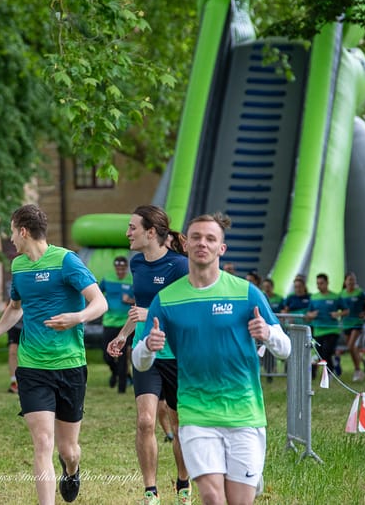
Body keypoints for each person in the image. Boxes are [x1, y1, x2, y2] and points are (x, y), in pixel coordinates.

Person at [132, 212, 291, 505]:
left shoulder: (247, 293)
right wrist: (149, 347)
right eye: (196, 237)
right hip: (196, 414)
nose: (202, 243)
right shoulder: (166, 299)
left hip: (244, 414)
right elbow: (139, 361)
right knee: (212, 496)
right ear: (186, 244)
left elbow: (286, 349)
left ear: (221, 248)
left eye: (210, 238)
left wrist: (268, 333)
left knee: (239, 500)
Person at [0, 204, 107, 505]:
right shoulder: (18, 266)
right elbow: (15, 308)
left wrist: (76, 318)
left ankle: (72, 470)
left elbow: (100, 303)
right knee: (43, 442)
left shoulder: (66, 261)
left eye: (12, 232)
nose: (11, 238)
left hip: (70, 365)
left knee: (68, 450)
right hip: (32, 366)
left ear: (23, 231)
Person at [106, 205, 191, 504]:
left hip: (176, 354)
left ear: (151, 232)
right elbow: (138, 309)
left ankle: (184, 484)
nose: (127, 233)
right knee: (145, 421)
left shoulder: (180, 266)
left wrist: (152, 313)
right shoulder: (137, 264)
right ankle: (150, 491)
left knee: (179, 424)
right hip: (145, 353)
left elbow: (188, 312)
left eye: (133, 228)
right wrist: (122, 335)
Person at [99, 256, 135, 393]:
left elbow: (141, 299)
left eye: (122, 268)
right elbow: (96, 294)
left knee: (122, 356)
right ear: (115, 267)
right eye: (118, 268)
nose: (120, 271)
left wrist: (130, 300)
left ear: (126, 268)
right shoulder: (108, 278)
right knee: (106, 355)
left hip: (125, 324)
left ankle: (122, 388)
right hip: (109, 322)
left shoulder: (132, 280)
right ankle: (115, 373)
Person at [305, 273, 348, 376]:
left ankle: (330, 373)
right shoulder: (314, 297)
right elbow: (308, 314)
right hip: (318, 330)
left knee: (326, 351)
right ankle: (333, 363)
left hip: (332, 330)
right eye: (318, 283)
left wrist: (338, 314)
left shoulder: (335, 297)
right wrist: (311, 315)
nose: (319, 286)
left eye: (321, 283)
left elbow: (346, 311)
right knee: (320, 354)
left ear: (327, 283)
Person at [340, 272, 365, 382]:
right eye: (349, 279)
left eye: (353, 279)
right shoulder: (342, 294)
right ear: (345, 282)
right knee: (353, 348)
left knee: (351, 346)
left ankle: (357, 370)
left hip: (357, 323)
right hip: (346, 323)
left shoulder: (359, 292)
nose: (351, 282)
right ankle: (363, 360)